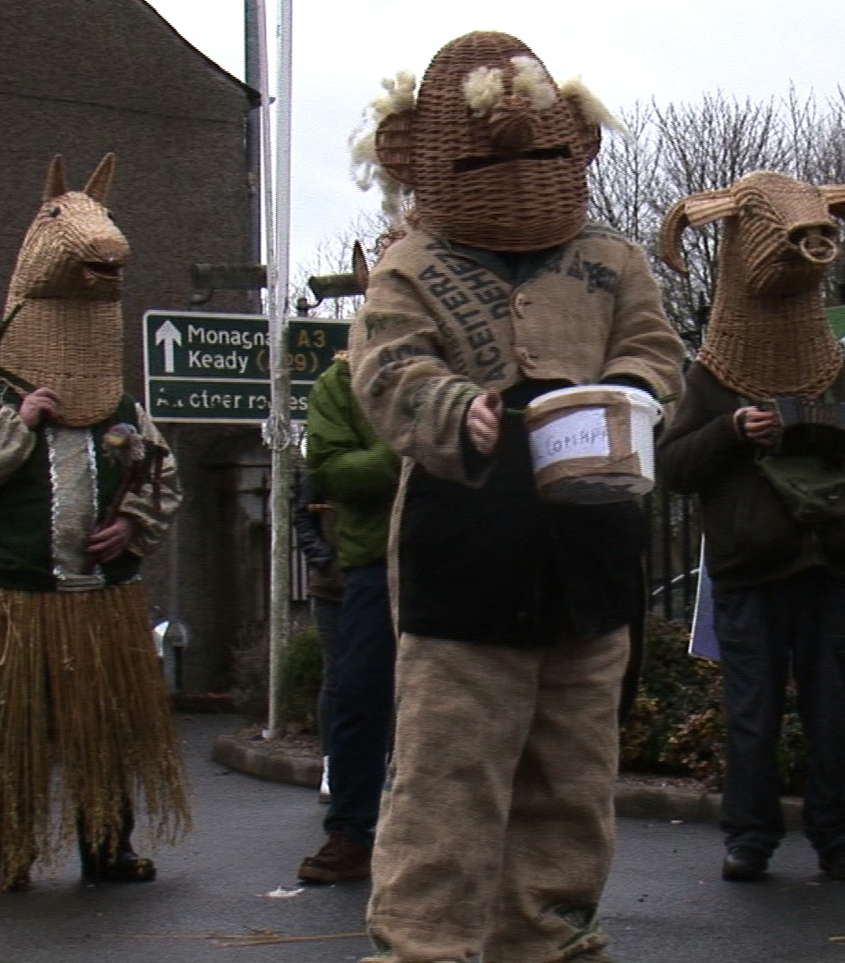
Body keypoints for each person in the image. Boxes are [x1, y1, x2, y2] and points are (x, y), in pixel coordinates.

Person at [345, 32, 684, 963]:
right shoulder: (408, 264)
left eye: (540, 152)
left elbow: (659, 351)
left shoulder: (614, 260)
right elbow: (384, 366)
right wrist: (453, 405)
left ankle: (547, 932)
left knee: (574, 770)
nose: (520, 172)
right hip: (466, 545)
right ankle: (423, 942)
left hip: (594, 541)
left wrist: (631, 393)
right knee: (449, 771)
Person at [0, 152, 189, 895]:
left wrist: (130, 525)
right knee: (12, 737)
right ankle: (9, 854)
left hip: (100, 604)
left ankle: (108, 847)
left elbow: (165, 482)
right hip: (13, 603)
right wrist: (19, 424)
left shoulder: (128, 415)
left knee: (105, 734)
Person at [653, 171, 845, 883]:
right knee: (753, 714)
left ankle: (839, 837)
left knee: (831, 711)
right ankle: (750, 836)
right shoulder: (711, 378)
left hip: (827, 566)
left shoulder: (835, 372)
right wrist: (731, 429)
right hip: (749, 572)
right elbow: (676, 468)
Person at [295, 354, 399, 884]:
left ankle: (470, 834)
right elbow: (330, 469)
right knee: (358, 695)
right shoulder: (342, 378)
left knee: (469, 699)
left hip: (467, 557)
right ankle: (352, 833)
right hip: (375, 564)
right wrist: (406, 450)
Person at [291, 472, 343, 805]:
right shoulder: (325, 465)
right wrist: (321, 558)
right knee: (336, 677)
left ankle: (386, 761)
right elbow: (302, 514)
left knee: (387, 677)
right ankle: (331, 766)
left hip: (384, 586)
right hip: (332, 589)